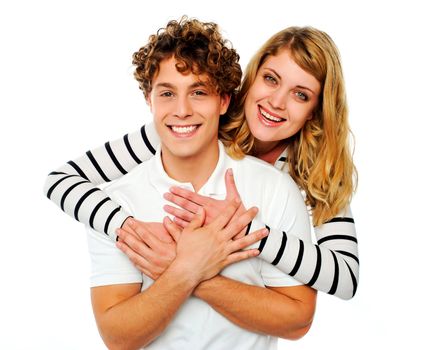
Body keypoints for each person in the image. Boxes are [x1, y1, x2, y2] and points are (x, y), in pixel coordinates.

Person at [44, 22, 358, 300]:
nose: (276, 102)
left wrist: (249, 232)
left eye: (300, 94)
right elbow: (60, 181)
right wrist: (128, 228)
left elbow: (345, 277)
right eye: (271, 79)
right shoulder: (193, 123)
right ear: (252, 78)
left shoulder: (319, 170)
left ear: (317, 109)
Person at [83, 18, 316, 349]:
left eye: (198, 92)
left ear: (223, 101)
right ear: (150, 99)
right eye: (167, 93)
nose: (182, 110)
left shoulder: (273, 188)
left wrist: (190, 271)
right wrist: (187, 269)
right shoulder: (116, 205)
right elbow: (118, 337)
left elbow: (298, 321)